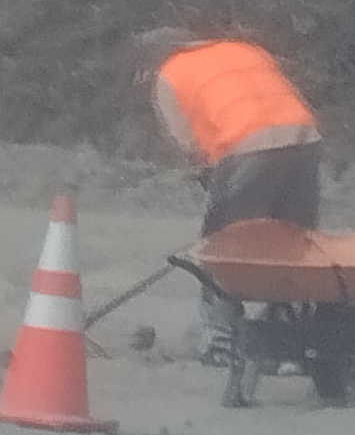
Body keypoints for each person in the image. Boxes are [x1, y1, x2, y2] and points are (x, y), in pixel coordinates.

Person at [132, 29, 320, 366]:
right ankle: (288, 339)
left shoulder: (169, 74)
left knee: (220, 250)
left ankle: (221, 344)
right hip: (305, 139)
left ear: (153, 61)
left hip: (247, 147)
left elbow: (188, 144)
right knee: (293, 246)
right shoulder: (244, 49)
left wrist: (209, 178)